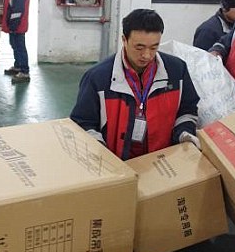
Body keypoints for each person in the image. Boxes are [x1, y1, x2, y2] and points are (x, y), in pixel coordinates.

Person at [70, 9, 200, 160]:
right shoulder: (97, 78)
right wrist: (101, 155)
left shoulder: (177, 71)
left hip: (161, 162)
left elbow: (187, 110)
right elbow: (83, 123)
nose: (146, 55)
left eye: (154, 47)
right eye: (139, 47)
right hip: (116, 163)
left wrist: (184, 133)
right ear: (124, 40)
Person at [2, 0, 31, 83]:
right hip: (13, 22)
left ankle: (24, 71)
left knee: (19, 46)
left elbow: (18, 7)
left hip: (17, 23)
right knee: (14, 44)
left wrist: (13, 25)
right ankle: (18, 65)